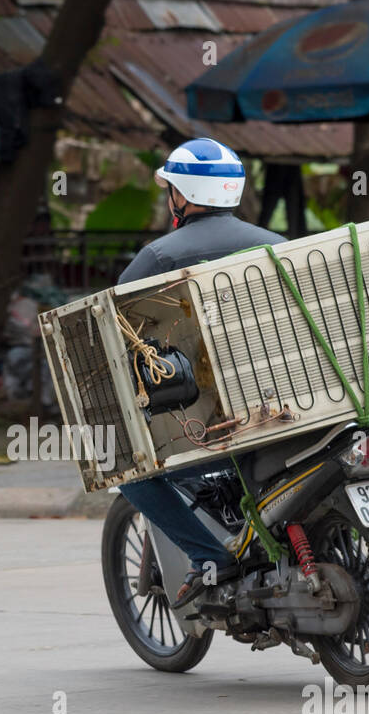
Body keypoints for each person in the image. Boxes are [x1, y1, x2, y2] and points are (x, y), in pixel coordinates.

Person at [116, 138, 287, 609]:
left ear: (182, 195)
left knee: (130, 472)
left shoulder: (159, 256)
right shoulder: (280, 246)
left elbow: (117, 333)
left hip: (220, 425)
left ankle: (211, 557)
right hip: (292, 411)